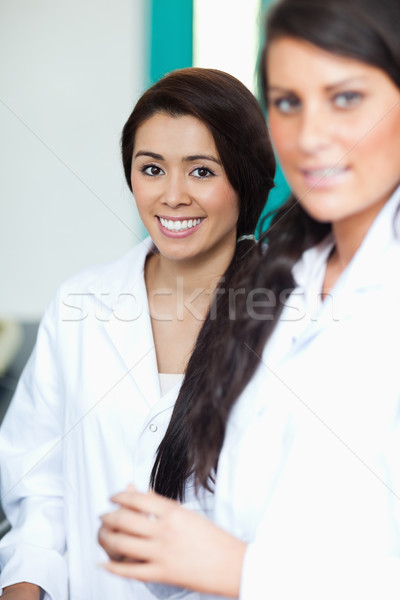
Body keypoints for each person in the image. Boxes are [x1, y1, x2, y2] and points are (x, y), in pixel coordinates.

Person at [98, 0, 400, 598]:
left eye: (346, 98)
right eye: (288, 102)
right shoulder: (283, 280)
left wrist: (241, 571)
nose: (311, 136)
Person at [0, 68, 275, 599]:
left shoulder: (300, 316)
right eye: (152, 168)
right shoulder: (80, 304)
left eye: (201, 171)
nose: (172, 196)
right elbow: (38, 482)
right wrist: (25, 583)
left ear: (245, 176)